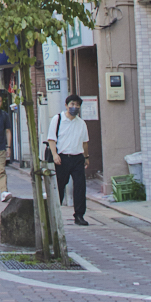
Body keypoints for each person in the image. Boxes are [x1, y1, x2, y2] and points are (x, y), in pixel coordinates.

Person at [47, 93, 90, 225]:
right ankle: (55, 213)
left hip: (77, 158)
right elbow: (51, 139)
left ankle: (79, 215)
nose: (74, 107)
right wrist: (55, 154)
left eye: (77, 105)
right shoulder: (58, 119)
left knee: (80, 187)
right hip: (62, 158)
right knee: (59, 186)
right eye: (72, 104)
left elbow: (85, 142)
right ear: (66, 105)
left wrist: (86, 157)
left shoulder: (81, 123)